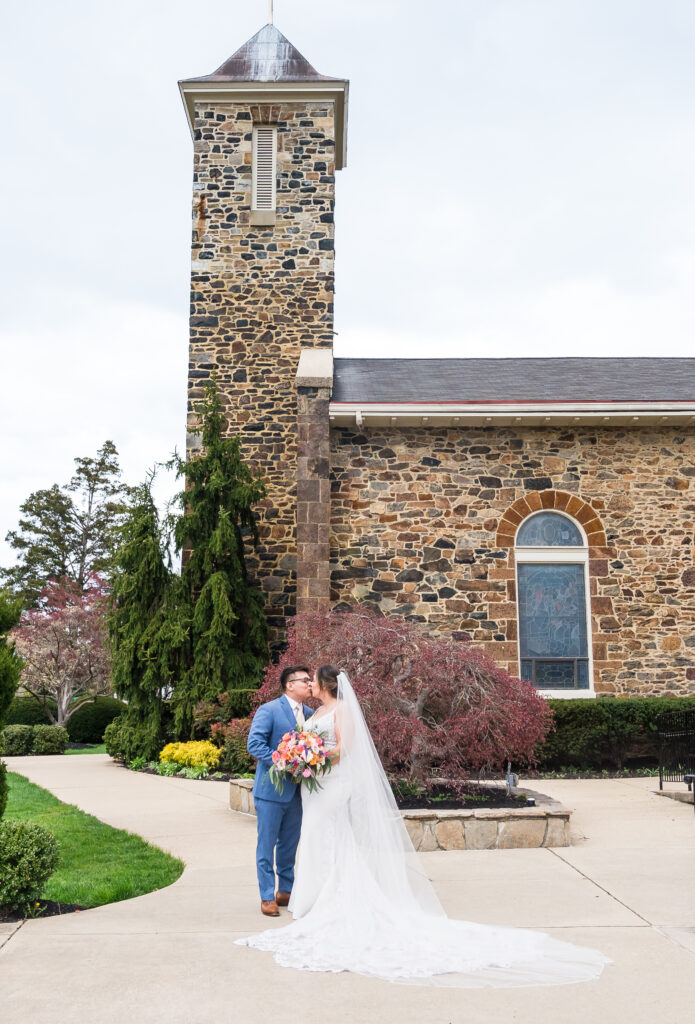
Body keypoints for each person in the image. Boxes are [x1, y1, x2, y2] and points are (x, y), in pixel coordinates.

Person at [237, 666, 610, 987]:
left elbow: (344, 749)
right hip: (309, 786)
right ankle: (296, 895)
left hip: (329, 783)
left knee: (326, 839)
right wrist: (299, 755)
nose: (309, 684)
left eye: (313, 680)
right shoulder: (294, 711)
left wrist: (313, 755)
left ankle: (318, 897)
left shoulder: (340, 710)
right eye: (304, 680)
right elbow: (275, 743)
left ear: (325, 685)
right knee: (305, 841)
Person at [246, 665, 314, 917]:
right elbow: (254, 744)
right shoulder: (269, 710)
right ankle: (266, 896)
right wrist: (282, 760)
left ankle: (285, 890)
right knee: (266, 845)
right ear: (289, 685)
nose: (310, 684)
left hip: (298, 792)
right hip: (271, 791)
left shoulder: (311, 714)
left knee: (289, 844)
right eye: (305, 680)